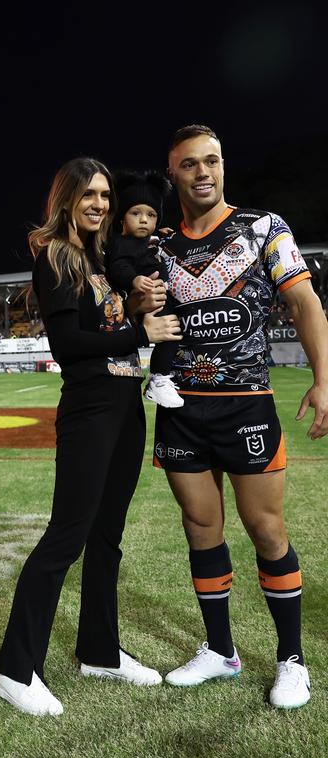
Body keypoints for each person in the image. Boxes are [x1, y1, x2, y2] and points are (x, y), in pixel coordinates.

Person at [0, 157, 181, 716]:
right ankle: (14, 666)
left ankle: (100, 651)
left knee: (106, 540)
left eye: (105, 195)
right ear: (67, 200)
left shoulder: (101, 259)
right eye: (89, 195)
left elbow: (110, 327)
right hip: (90, 409)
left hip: (125, 406)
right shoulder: (56, 256)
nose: (100, 204)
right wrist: (136, 329)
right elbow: (67, 345)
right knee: (66, 538)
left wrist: (136, 310)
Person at [156, 125, 328, 709]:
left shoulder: (264, 228)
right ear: (173, 173)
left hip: (247, 406)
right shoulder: (158, 247)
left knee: (267, 530)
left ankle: (292, 661)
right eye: (189, 165)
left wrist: (324, 379)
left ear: (223, 166)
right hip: (181, 411)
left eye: (212, 161)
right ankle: (220, 651)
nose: (203, 172)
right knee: (201, 529)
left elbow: (304, 302)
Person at [107, 170, 182, 408]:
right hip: (141, 300)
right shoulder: (119, 243)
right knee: (169, 335)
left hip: (161, 297)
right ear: (122, 219)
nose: (143, 220)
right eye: (135, 213)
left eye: (151, 215)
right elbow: (117, 266)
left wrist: (162, 235)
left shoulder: (152, 240)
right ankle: (159, 380)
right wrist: (134, 280)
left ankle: (161, 379)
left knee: (173, 336)